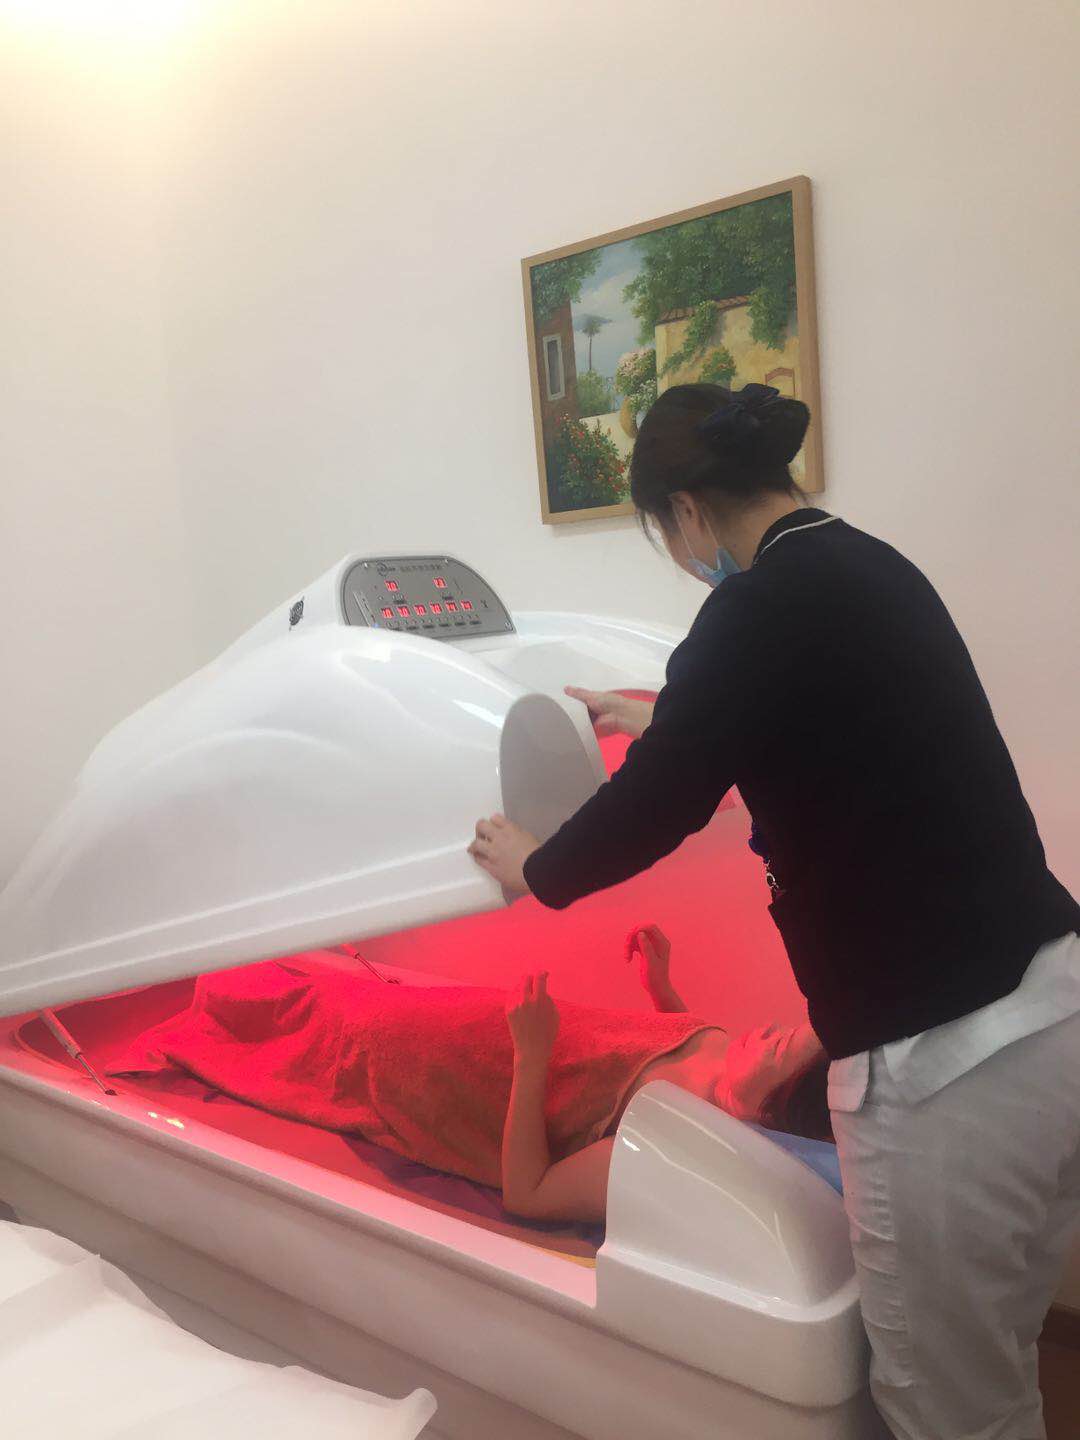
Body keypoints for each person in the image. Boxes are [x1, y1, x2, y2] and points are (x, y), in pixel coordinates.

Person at [469, 381, 1080, 1440]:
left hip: (947, 1066)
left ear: (686, 512)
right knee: (998, 1361)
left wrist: (537, 869)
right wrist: (656, 716)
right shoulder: (867, 565)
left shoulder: (752, 609)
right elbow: (812, 715)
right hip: (1052, 1005)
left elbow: (653, 809)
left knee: (946, 1408)